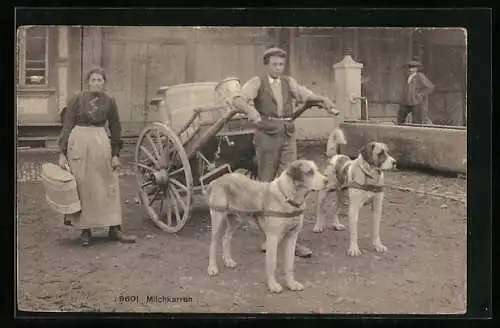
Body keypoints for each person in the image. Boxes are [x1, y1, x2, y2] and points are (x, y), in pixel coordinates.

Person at [232, 47, 338, 258]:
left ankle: (293, 238)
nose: (278, 68)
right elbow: (237, 99)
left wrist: (323, 100)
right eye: (274, 64)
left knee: (293, 182)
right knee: (266, 183)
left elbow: (306, 95)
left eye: (281, 64)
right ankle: (265, 236)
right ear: (267, 64)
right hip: (267, 137)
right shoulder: (256, 82)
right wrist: (250, 110)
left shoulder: (289, 82)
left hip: (288, 136)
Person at [58, 67, 136, 247]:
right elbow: (67, 125)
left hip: (101, 142)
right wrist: (62, 153)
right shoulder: (77, 99)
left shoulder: (109, 101)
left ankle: (114, 228)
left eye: (100, 80)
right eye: (93, 79)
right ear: (88, 82)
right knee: (84, 186)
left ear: (104, 82)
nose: (96, 83)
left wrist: (116, 154)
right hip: (78, 143)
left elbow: (115, 127)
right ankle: (85, 230)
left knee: (109, 183)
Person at [397, 58, 434, 124]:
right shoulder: (407, 76)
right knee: (400, 118)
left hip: (416, 102)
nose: (410, 69)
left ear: (417, 68)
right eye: (409, 67)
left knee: (416, 121)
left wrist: (421, 94)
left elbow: (430, 87)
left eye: (413, 67)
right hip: (406, 101)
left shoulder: (420, 76)